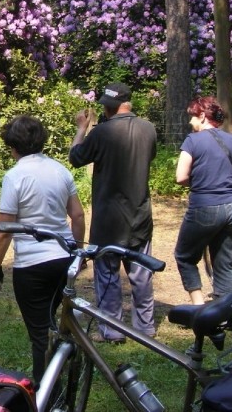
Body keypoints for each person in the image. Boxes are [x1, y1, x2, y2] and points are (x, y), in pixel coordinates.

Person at [0, 115, 85, 384]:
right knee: (55, 323)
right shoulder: (60, 170)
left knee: (40, 333)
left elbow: (5, 229)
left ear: (13, 146)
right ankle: (65, 373)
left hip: (31, 265)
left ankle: (44, 391)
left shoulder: (14, 176)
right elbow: (77, 216)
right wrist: (77, 252)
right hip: (63, 257)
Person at [69, 82, 157, 343]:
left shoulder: (101, 133)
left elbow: (75, 157)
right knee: (141, 274)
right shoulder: (148, 129)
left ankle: (112, 330)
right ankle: (145, 328)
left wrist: (81, 129)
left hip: (108, 218)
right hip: (140, 214)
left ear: (106, 107)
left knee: (107, 274)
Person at [174, 96, 232, 305]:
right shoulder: (230, 140)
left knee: (185, 256)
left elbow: (180, 176)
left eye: (192, 117)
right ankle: (226, 311)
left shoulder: (192, 141)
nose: (190, 122)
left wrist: (201, 179)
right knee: (225, 261)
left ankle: (199, 309)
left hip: (204, 208)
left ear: (202, 116)